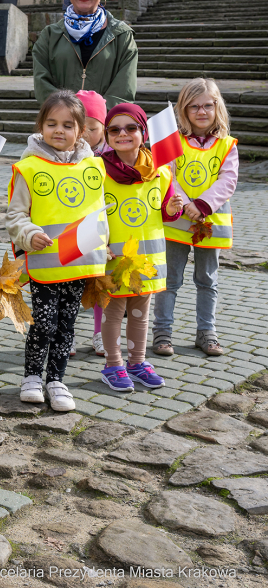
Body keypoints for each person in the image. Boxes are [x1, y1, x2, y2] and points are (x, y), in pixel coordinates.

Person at [6, 90, 106, 412]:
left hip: (78, 264)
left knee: (67, 325)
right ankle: (32, 377)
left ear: (81, 131)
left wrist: (110, 247)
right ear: (41, 126)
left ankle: (57, 380)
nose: (58, 131)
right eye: (51, 123)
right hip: (46, 265)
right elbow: (15, 215)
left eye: (67, 125)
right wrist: (29, 234)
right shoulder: (30, 167)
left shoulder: (93, 168)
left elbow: (101, 212)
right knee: (45, 324)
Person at [99, 104, 183, 392]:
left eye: (131, 128)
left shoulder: (161, 171)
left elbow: (167, 212)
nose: (123, 134)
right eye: (114, 129)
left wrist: (173, 209)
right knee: (113, 314)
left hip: (148, 260)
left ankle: (137, 362)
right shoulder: (97, 169)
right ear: (107, 135)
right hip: (114, 260)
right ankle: (113, 364)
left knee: (140, 314)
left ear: (143, 133)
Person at [153, 78, 238, 357]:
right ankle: (162, 332)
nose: (201, 112)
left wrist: (202, 205)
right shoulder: (173, 141)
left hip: (210, 224)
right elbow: (167, 173)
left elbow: (228, 180)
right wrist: (186, 204)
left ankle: (207, 332)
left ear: (217, 107)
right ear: (184, 110)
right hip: (177, 220)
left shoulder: (227, 144)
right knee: (170, 279)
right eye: (194, 107)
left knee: (207, 280)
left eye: (208, 106)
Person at [33, 0, 139, 108]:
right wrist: (70, 116)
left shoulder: (122, 36)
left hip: (103, 127)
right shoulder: (49, 36)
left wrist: (93, 118)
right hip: (62, 126)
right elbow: (42, 86)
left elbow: (123, 92)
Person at [76, 89, 108, 356]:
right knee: (72, 282)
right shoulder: (66, 153)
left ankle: (100, 332)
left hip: (103, 227)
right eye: (81, 127)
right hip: (74, 226)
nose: (86, 134)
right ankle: (67, 333)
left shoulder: (111, 155)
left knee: (99, 284)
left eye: (93, 128)